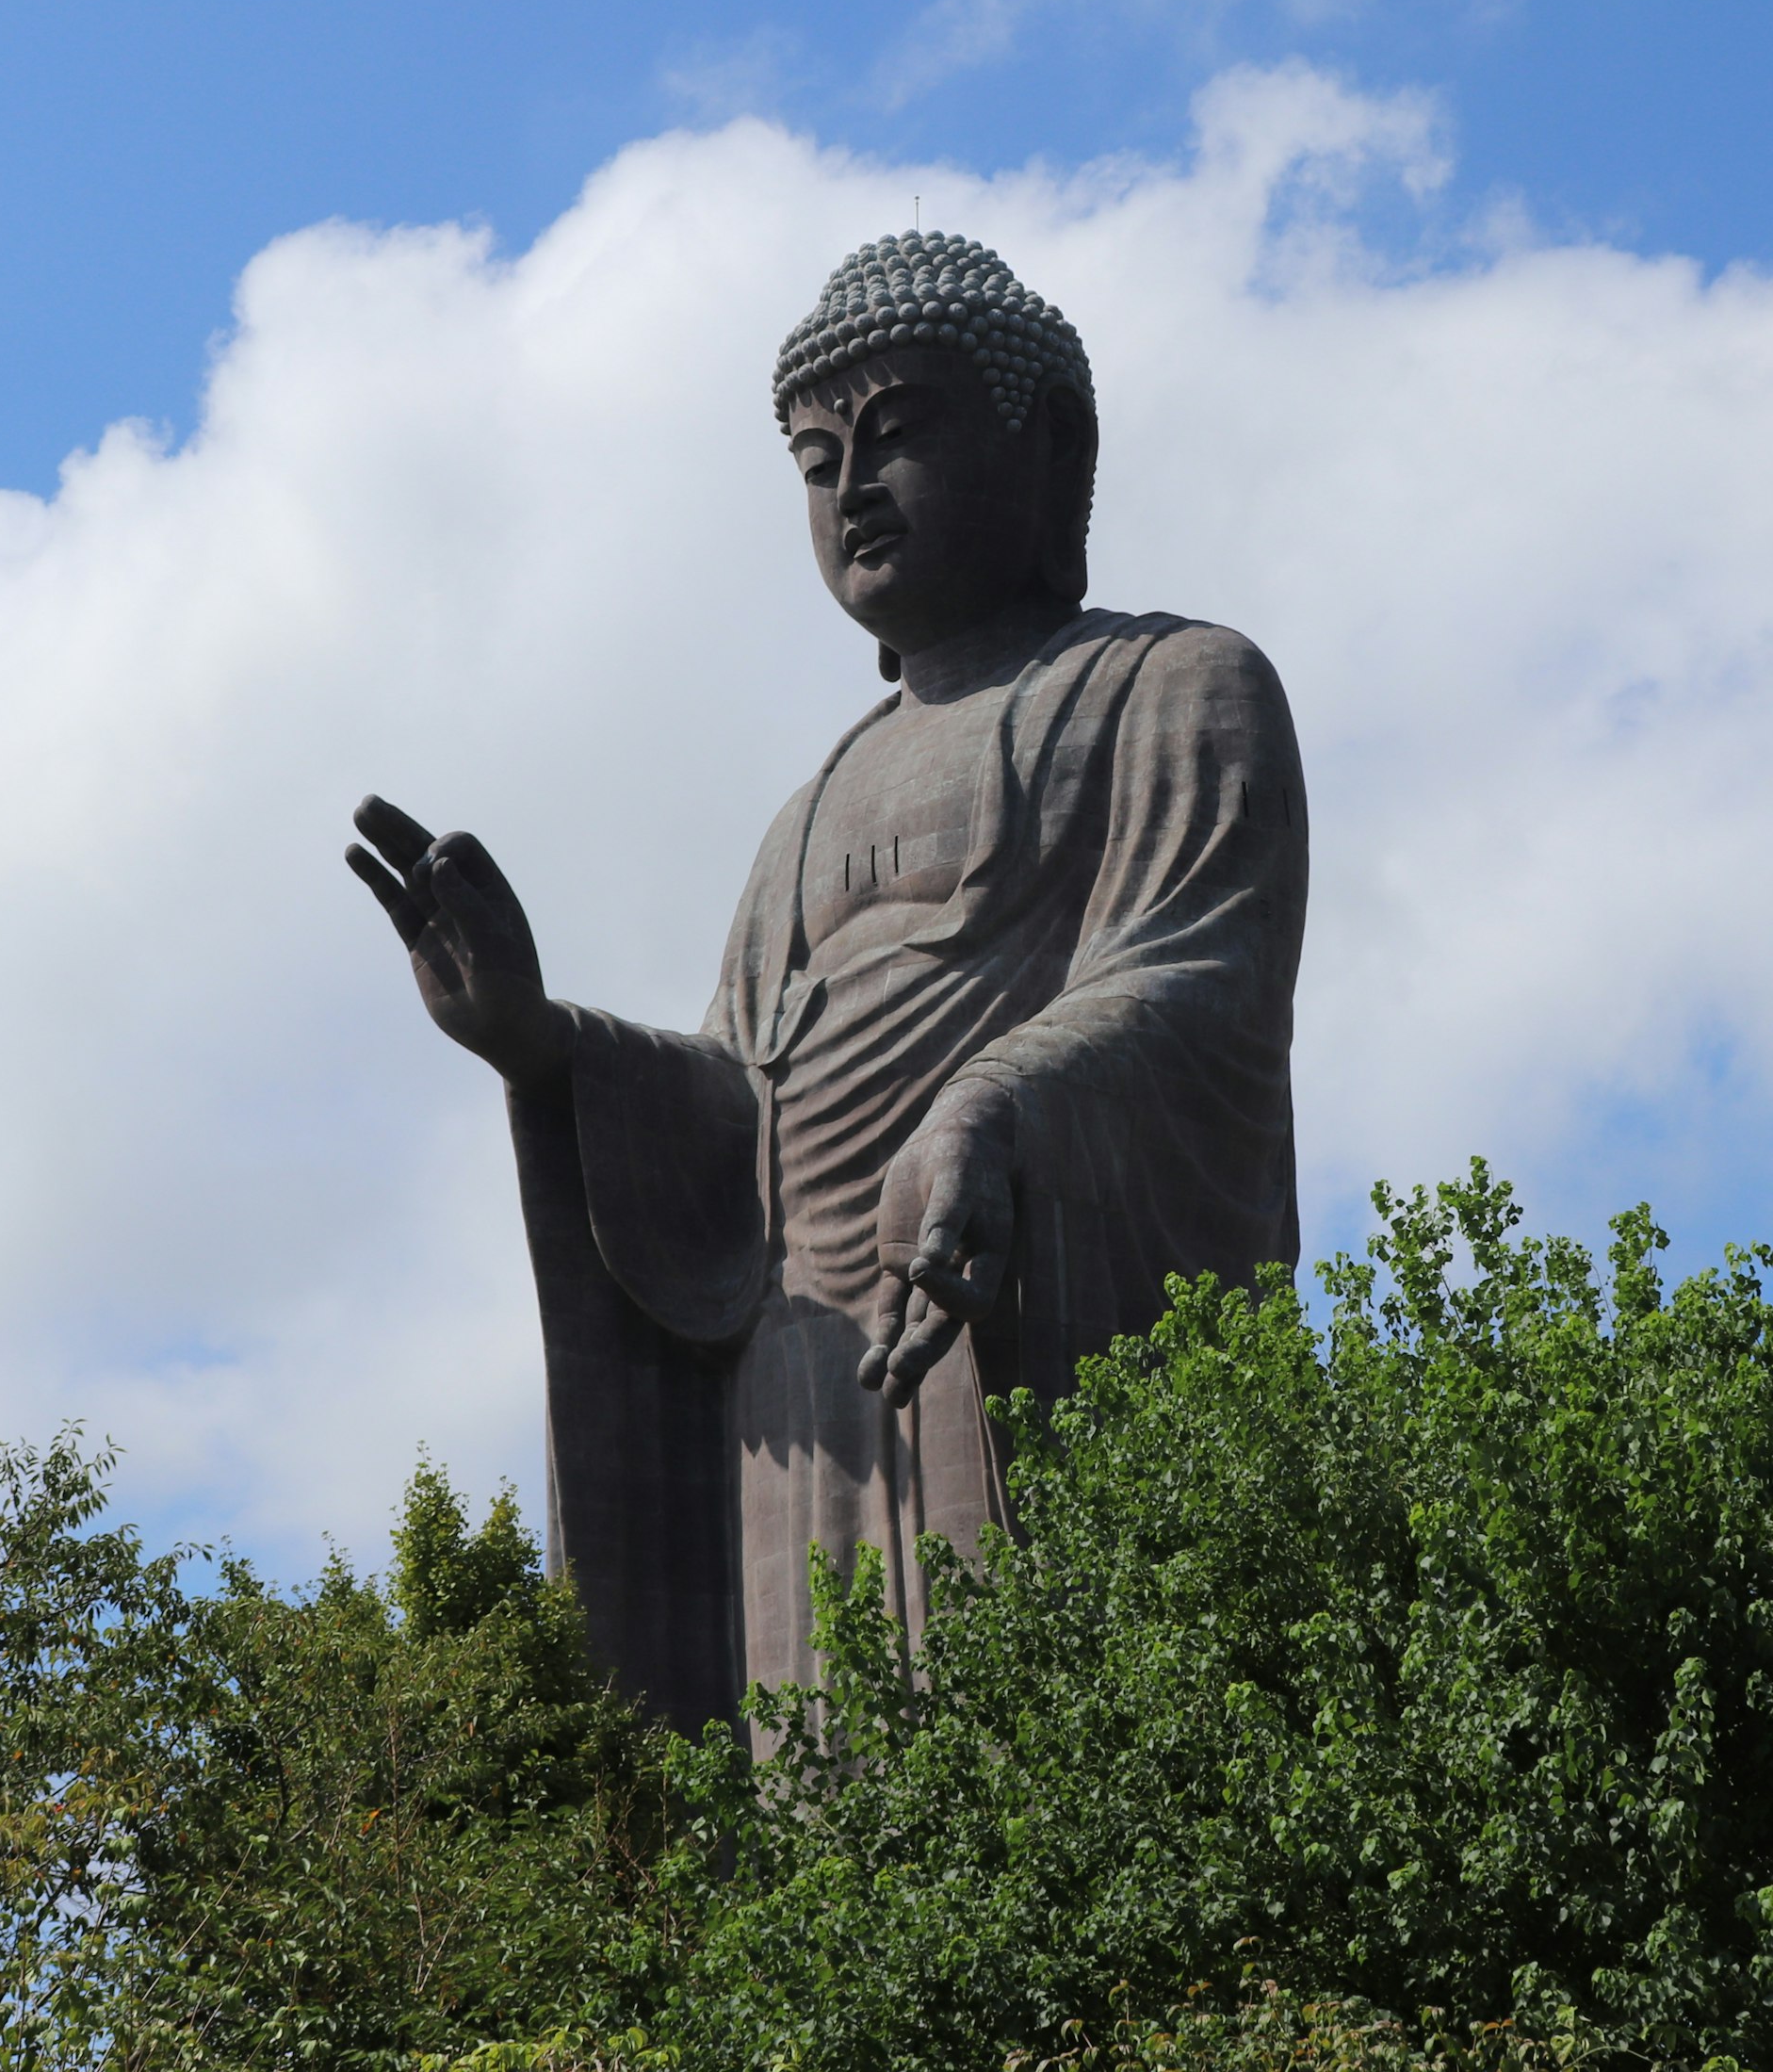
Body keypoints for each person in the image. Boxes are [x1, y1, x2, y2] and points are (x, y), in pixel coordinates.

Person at [348, 231, 1308, 1733]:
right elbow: (742, 1097)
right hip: (800, 1380)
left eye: (902, 433)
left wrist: (991, 1099)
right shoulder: (804, 813)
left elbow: (1195, 972)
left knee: (1036, 1748)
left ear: (1048, 447)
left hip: (1004, 1305)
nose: (853, 485)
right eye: (815, 457)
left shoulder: (1170, 687)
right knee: (813, 1796)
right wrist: (542, 1045)